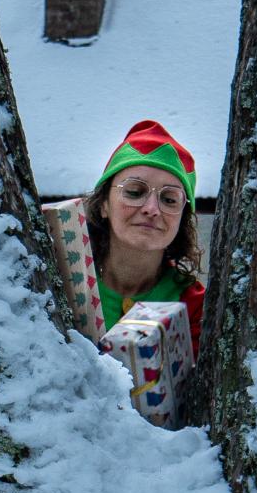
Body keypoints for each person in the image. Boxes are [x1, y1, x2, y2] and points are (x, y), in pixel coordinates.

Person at [84, 120, 205, 357]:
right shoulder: (66, 283)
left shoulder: (195, 305)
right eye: (134, 192)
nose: (152, 209)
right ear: (104, 205)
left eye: (169, 199)